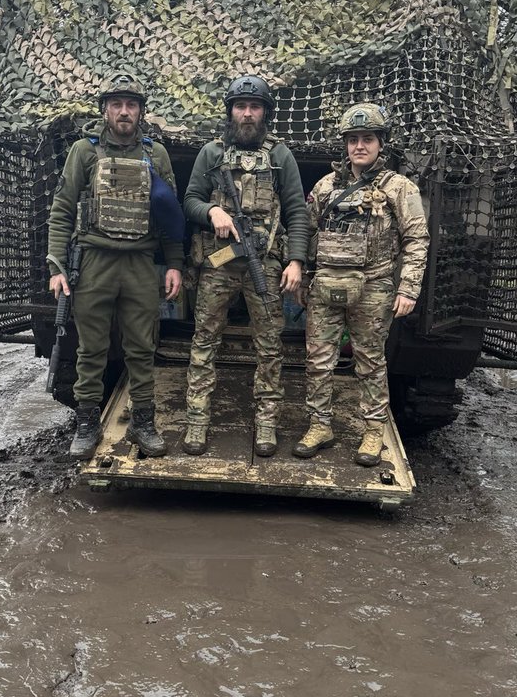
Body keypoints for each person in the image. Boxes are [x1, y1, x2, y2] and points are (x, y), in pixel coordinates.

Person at [47, 72, 184, 459]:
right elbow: (61, 209)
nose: (124, 112)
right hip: (94, 261)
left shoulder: (155, 154)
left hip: (140, 262)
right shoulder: (84, 152)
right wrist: (57, 266)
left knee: (142, 347)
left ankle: (143, 422)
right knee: (91, 349)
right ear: (105, 109)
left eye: (131, 105)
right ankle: (87, 423)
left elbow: (170, 215)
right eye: (117, 104)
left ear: (141, 111)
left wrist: (173, 263)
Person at [293, 102, 429, 466]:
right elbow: (307, 233)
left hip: (374, 287)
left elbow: (416, 240)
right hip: (325, 285)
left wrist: (408, 288)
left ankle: (373, 431)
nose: (359, 146)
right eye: (353, 139)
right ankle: (320, 424)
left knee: (370, 361)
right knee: (318, 361)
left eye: (367, 139)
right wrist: (304, 276)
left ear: (381, 143)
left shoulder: (400, 188)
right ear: (345, 144)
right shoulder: (325, 186)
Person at [182, 74, 309, 457]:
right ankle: (197, 420)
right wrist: (213, 211)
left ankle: (266, 421)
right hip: (220, 261)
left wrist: (297, 261)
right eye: (241, 107)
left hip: (265, 263)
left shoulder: (280, 155)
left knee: (270, 345)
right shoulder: (212, 153)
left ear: (265, 113)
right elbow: (189, 200)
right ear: (231, 111)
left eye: (255, 107)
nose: (248, 114)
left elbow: (296, 212)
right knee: (204, 340)